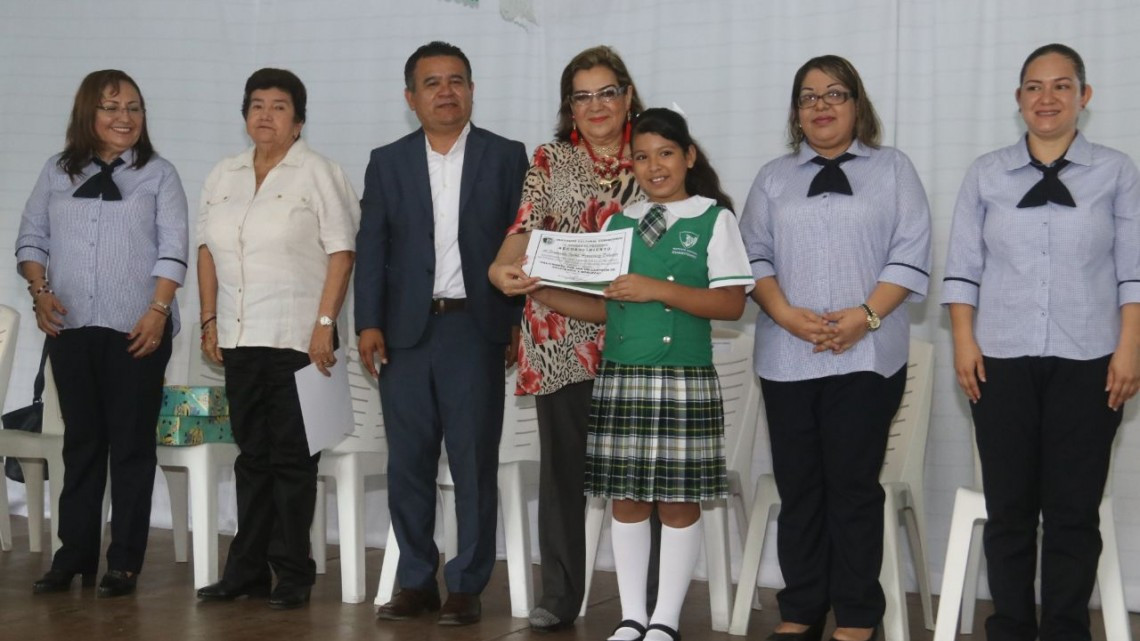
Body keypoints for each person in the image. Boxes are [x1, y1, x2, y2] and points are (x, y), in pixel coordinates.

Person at [529, 107, 753, 641]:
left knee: (677, 501)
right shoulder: (619, 222)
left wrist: (659, 290)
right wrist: (540, 290)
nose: (654, 166)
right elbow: (607, 307)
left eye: (666, 154)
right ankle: (633, 617)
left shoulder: (713, 219)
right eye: (642, 156)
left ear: (689, 157)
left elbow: (731, 305)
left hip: (683, 379)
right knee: (627, 500)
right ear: (631, 163)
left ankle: (666, 620)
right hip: (622, 376)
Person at [942, 43, 1140, 641]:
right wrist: (963, 342)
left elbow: (1133, 267)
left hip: (1092, 362)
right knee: (1009, 513)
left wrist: (1130, 347)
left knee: (1074, 515)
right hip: (999, 359)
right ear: (1018, 98)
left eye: (1061, 86)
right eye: (1034, 86)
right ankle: (1008, 629)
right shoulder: (986, 173)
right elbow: (961, 267)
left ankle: (1064, 631)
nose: (1046, 98)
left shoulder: (1116, 171)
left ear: (1085, 95)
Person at [739, 55, 931, 641]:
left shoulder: (893, 169)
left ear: (857, 105)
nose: (822, 105)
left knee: (850, 487)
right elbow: (754, 255)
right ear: (796, 113)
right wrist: (784, 315)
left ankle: (855, 616)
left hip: (868, 356)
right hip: (786, 354)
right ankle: (800, 609)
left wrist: (865, 317)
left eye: (836, 93)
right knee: (799, 488)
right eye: (809, 96)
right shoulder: (773, 178)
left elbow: (911, 249)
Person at [355, 41, 528, 626]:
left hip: (473, 328)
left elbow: (523, 243)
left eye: (456, 80)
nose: (446, 91)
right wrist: (368, 322)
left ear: (472, 90)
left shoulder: (507, 157)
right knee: (408, 462)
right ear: (411, 98)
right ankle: (415, 581)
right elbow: (373, 246)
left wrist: (512, 323)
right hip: (403, 333)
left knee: (473, 460)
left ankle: (467, 585)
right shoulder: (388, 160)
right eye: (432, 83)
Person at [487, 45, 647, 631]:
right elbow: (523, 232)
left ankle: (646, 604)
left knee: (640, 473)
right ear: (569, 107)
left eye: (607, 92)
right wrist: (499, 270)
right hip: (560, 336)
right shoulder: (550, 159)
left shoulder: (658, 152)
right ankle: (559, 595)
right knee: (563, 474)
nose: (596, 105)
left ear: (628, 96)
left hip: (638, 335)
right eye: (582, 96)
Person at [16, 69, 189, 598]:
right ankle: (74, 556)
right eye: (112, 107)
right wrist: (40, 292)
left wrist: (158, 311)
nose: (125, 118)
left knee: (131, 447)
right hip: (70, 328)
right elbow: (31, 238)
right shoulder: (55, 171)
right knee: (82, 446)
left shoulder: (159, 175)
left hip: (137, 330)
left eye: (134, 108)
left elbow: (173, 245)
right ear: (88, 114)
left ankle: (125, 562)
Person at [195, 68, 359, 610]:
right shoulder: (224, 174)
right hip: (240, 337)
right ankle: (246, 570)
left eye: (279, 106)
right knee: (252, 457)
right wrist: (209, 320)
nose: (266, 115)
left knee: (292, 459)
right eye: (256, 105)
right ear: (245, 115)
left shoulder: (317, 172)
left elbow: (341, 251)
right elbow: (206, 251)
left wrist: (324, 325)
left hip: (297, 338)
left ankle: (293, 573)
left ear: (299, 120)